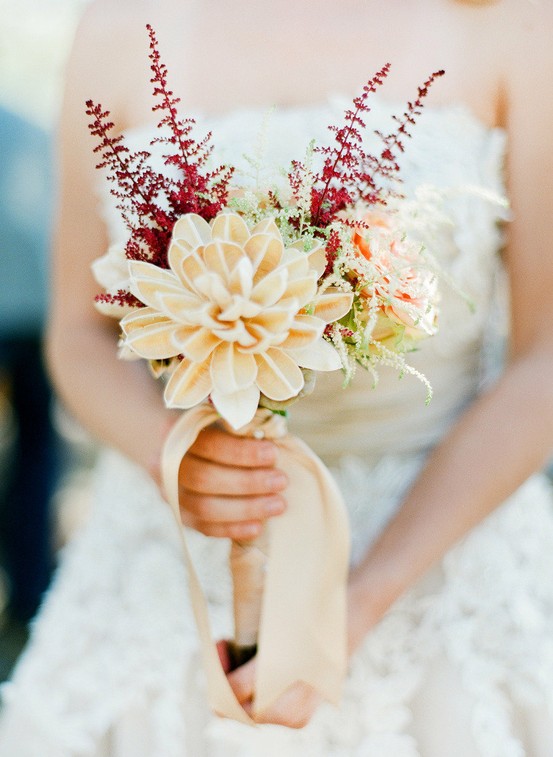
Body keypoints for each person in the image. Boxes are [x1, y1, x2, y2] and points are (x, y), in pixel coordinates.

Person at [1, 0, 553, 754]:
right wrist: (174, 453)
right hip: (174, 565)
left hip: (438, 554)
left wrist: (360, 600)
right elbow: (78, 332)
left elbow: (542, 361)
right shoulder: (115, 27)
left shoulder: (511, 24)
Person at [0, 106, 58, 639]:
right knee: (37, 454)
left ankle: (28, 584)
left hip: (26, 318)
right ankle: (30, 585)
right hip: (39, 313)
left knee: (35, 451)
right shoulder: (31, 129)